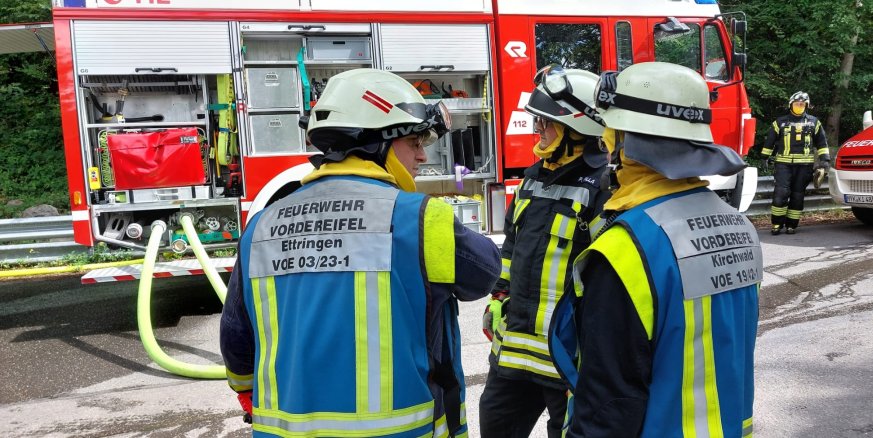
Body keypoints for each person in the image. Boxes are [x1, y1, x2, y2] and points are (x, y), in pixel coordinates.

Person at [219, 68, 501, 438]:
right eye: (414, 142)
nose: (421, 156)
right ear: (377, 142)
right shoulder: (419, 217)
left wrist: (247, 392)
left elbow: (236, 339)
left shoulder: (261, 226)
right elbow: (484, 273)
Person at [548, 62, 762, 437]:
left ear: (627, 141)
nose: (605, 144)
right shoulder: (741, 227)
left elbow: (608, 403)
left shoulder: (626, 248)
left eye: (610, 133)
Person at [479, 66, 612, 438]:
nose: (538, 132)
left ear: (577, 128)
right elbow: (512, 246)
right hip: (514, 350)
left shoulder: (605, 190)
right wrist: (498, 296)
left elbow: (607, 279)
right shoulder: (532, 176)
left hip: (566, 357)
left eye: (545, 125)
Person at [760, 91, 831, 235]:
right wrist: (764, 157)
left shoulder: (814, 122)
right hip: (783, 165)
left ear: (806, 106)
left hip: (804, 166)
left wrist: (825, 161)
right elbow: (770, 141)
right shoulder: (779, 122)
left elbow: (822, 143)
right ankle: (776, 224)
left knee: (798, 196)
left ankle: (792, 225)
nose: (799, 106)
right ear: (790, 104)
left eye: (802, 104)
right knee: (781, 193)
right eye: (797, 104)